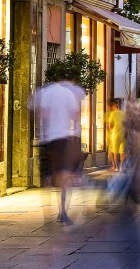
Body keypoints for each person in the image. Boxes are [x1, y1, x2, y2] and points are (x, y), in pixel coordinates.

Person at [29, 78, 86, 224]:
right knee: (65, 175)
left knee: (48, 176)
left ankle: (47, 214)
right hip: (64, 137)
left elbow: (40, 112)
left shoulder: (45, 92)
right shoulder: (68, 93)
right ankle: (63, 211)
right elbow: (76, 116)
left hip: (48, 139)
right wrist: (76, 132)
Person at [106, 99, 125, 172]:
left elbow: (110, 126)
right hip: (123, 134)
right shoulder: (123, 113)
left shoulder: (112, 114)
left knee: (115, 152)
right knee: (122, 152)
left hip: (115, 135)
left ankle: (117, 167)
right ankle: (121, 167)